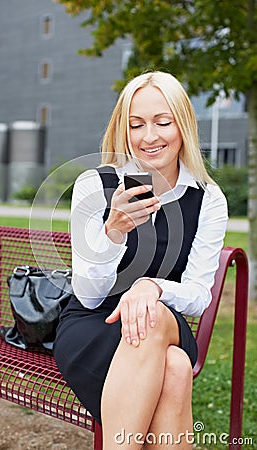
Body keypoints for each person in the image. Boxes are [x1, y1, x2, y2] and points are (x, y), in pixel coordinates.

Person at [53, 71, 228, 449]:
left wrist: (151, 287)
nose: (149, 137)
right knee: (176, 368)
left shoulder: (207, 199)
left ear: (183, 126)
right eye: (136, 125)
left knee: (151, 318)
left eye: (163, 122)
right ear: (124, 130)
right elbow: (88, 295)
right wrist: (112, 232)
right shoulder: (94, 186)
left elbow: (199, 294)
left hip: (164, 322)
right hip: (93, 324)